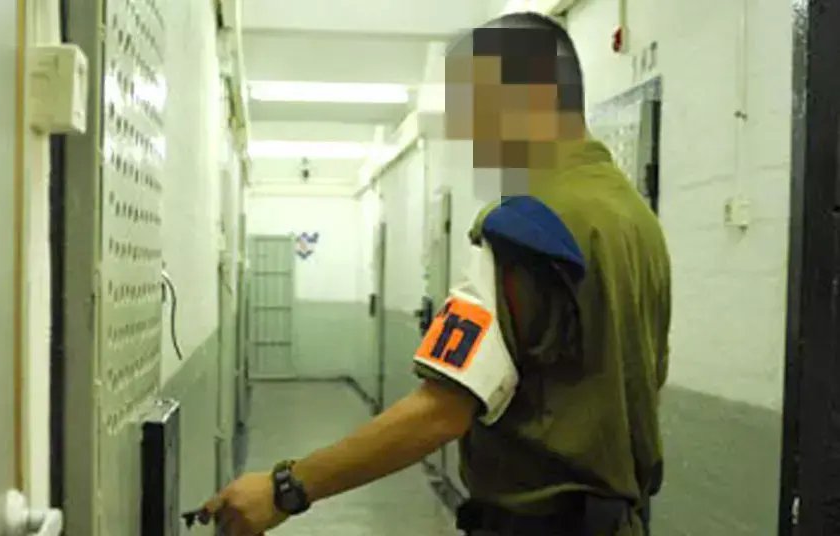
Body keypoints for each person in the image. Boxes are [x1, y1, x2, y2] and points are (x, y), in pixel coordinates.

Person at [202, 11, 671, 536]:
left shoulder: (525, 226)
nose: (471, 130)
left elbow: (442, 409)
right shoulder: (638, 222)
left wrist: (285, 488)